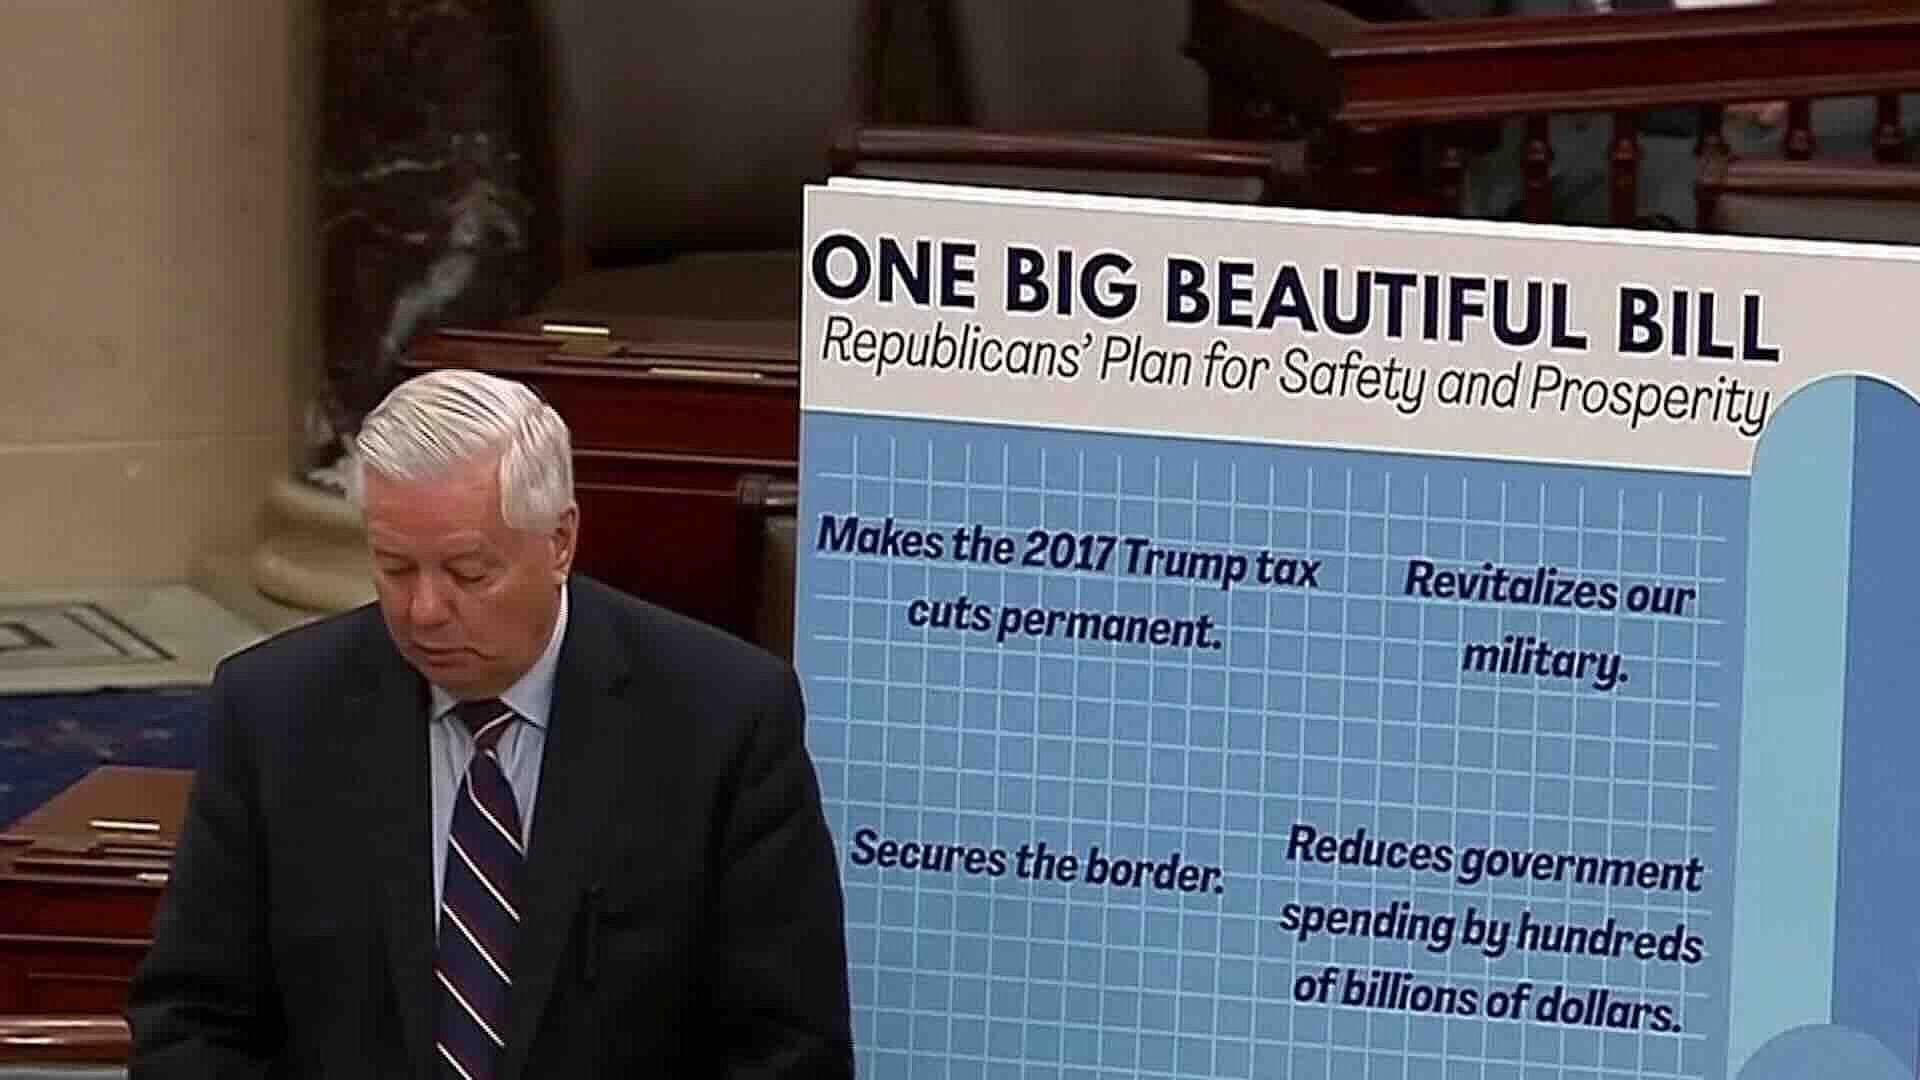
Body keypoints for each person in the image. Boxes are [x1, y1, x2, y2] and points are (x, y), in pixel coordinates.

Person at [126, 369, 853, 1078]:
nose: (425, 611)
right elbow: (192, 1023)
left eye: (469, 573)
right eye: (395, 569)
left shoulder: (721, 719)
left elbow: (788, 1048)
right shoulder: (275, 713)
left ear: (560, 541)